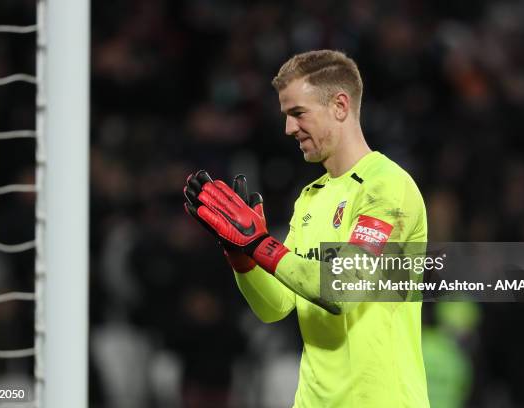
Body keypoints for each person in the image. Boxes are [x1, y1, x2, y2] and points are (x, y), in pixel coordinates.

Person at [183, 50, 429, 407]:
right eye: (286, 115)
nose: (289, 128)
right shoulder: (311, 198)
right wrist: (242, 255)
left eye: (298, 113)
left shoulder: (386, 186)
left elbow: (342, 289)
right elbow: (276, 306)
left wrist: (262, 245)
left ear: (340, 106)